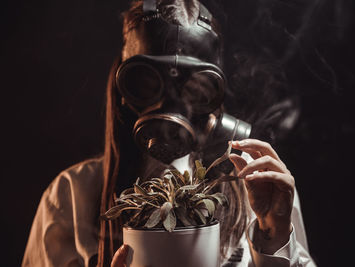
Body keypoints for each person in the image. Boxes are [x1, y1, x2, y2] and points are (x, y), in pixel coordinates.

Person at [23, 0, 316, 266]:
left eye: (195, 87)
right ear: (123, 88)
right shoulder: (70, 196)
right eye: (148, 84)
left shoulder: (258, 191)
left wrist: (275, 238)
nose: (171, 106)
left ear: (215, 92)